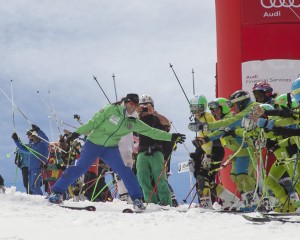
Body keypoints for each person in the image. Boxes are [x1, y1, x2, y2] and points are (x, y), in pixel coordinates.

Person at [48, 93, 185, 211]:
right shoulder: (111, 109)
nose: (132, 107)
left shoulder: (133, 121)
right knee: (80, 168)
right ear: (125, 102)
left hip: (110, 148)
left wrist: (171, 137)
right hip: (94, 143)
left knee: (124, 170)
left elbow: (152, 132)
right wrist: (77, 133)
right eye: (130, 103)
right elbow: (93, 122)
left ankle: (137, 199)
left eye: (135, 105)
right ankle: (57, 192)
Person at [188, 94, 225, 208]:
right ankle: (228, 199)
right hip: (206, 149)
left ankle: (207, 202)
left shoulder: (207, 117)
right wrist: (199, 150)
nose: (196, 111)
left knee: (204, 177)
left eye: (198, 108)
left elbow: (209, 136)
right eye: (193, 108)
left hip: (215, 149)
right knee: (203, 176)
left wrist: (207, 154)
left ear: (203, 107)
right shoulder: (198, 118)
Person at [136, 94, 173, 206]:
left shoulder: (157, 118)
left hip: (156, 151)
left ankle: (166, 202)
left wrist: (154, 113)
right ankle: (150, 202)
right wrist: (137, 113)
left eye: (147, 105)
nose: (145, 108)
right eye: (142, 106)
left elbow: (167, 124)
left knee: (160, 178)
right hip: (142, 151)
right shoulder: (138, 119)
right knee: (142, 178)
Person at [12, 124, 49, 195]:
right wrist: (16, 140)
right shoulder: (32, 146)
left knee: (35, 185)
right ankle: (39, 199)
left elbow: (46, 139)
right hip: (31, 168)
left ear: (33, 136)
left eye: (29, 136)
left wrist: (38, 130)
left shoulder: (42, 144)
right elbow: (22, 148)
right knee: (31, 186)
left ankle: (41, 200)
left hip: (38, 167)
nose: (28, 138)